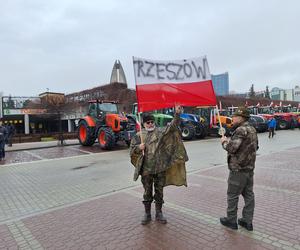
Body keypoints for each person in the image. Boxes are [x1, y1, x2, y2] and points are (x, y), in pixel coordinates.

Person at [130, 105, 188, 225]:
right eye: (148, 122)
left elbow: (172, 126)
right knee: (147, 192)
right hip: (146, 170)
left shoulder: (161, 132)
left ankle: (159, 213)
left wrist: (177, 113)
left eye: (152, 122)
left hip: (160, 168)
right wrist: (137, 148)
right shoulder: (138, 136)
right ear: (144, 124)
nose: (150, 124)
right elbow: (131, 151)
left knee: (159, 191)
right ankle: (147, 214)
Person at [220, 107, 258, 231]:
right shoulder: (252, 129)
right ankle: (247, 221)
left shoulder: (240, 130)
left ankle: (231, 220)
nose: (233, 118)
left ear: (241, 118)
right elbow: (255, 147)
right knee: (249, 195)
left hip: (238, 170)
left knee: (232, 195)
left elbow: (231, 148)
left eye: (235, 116)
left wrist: (224, 142)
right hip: (249, 169)